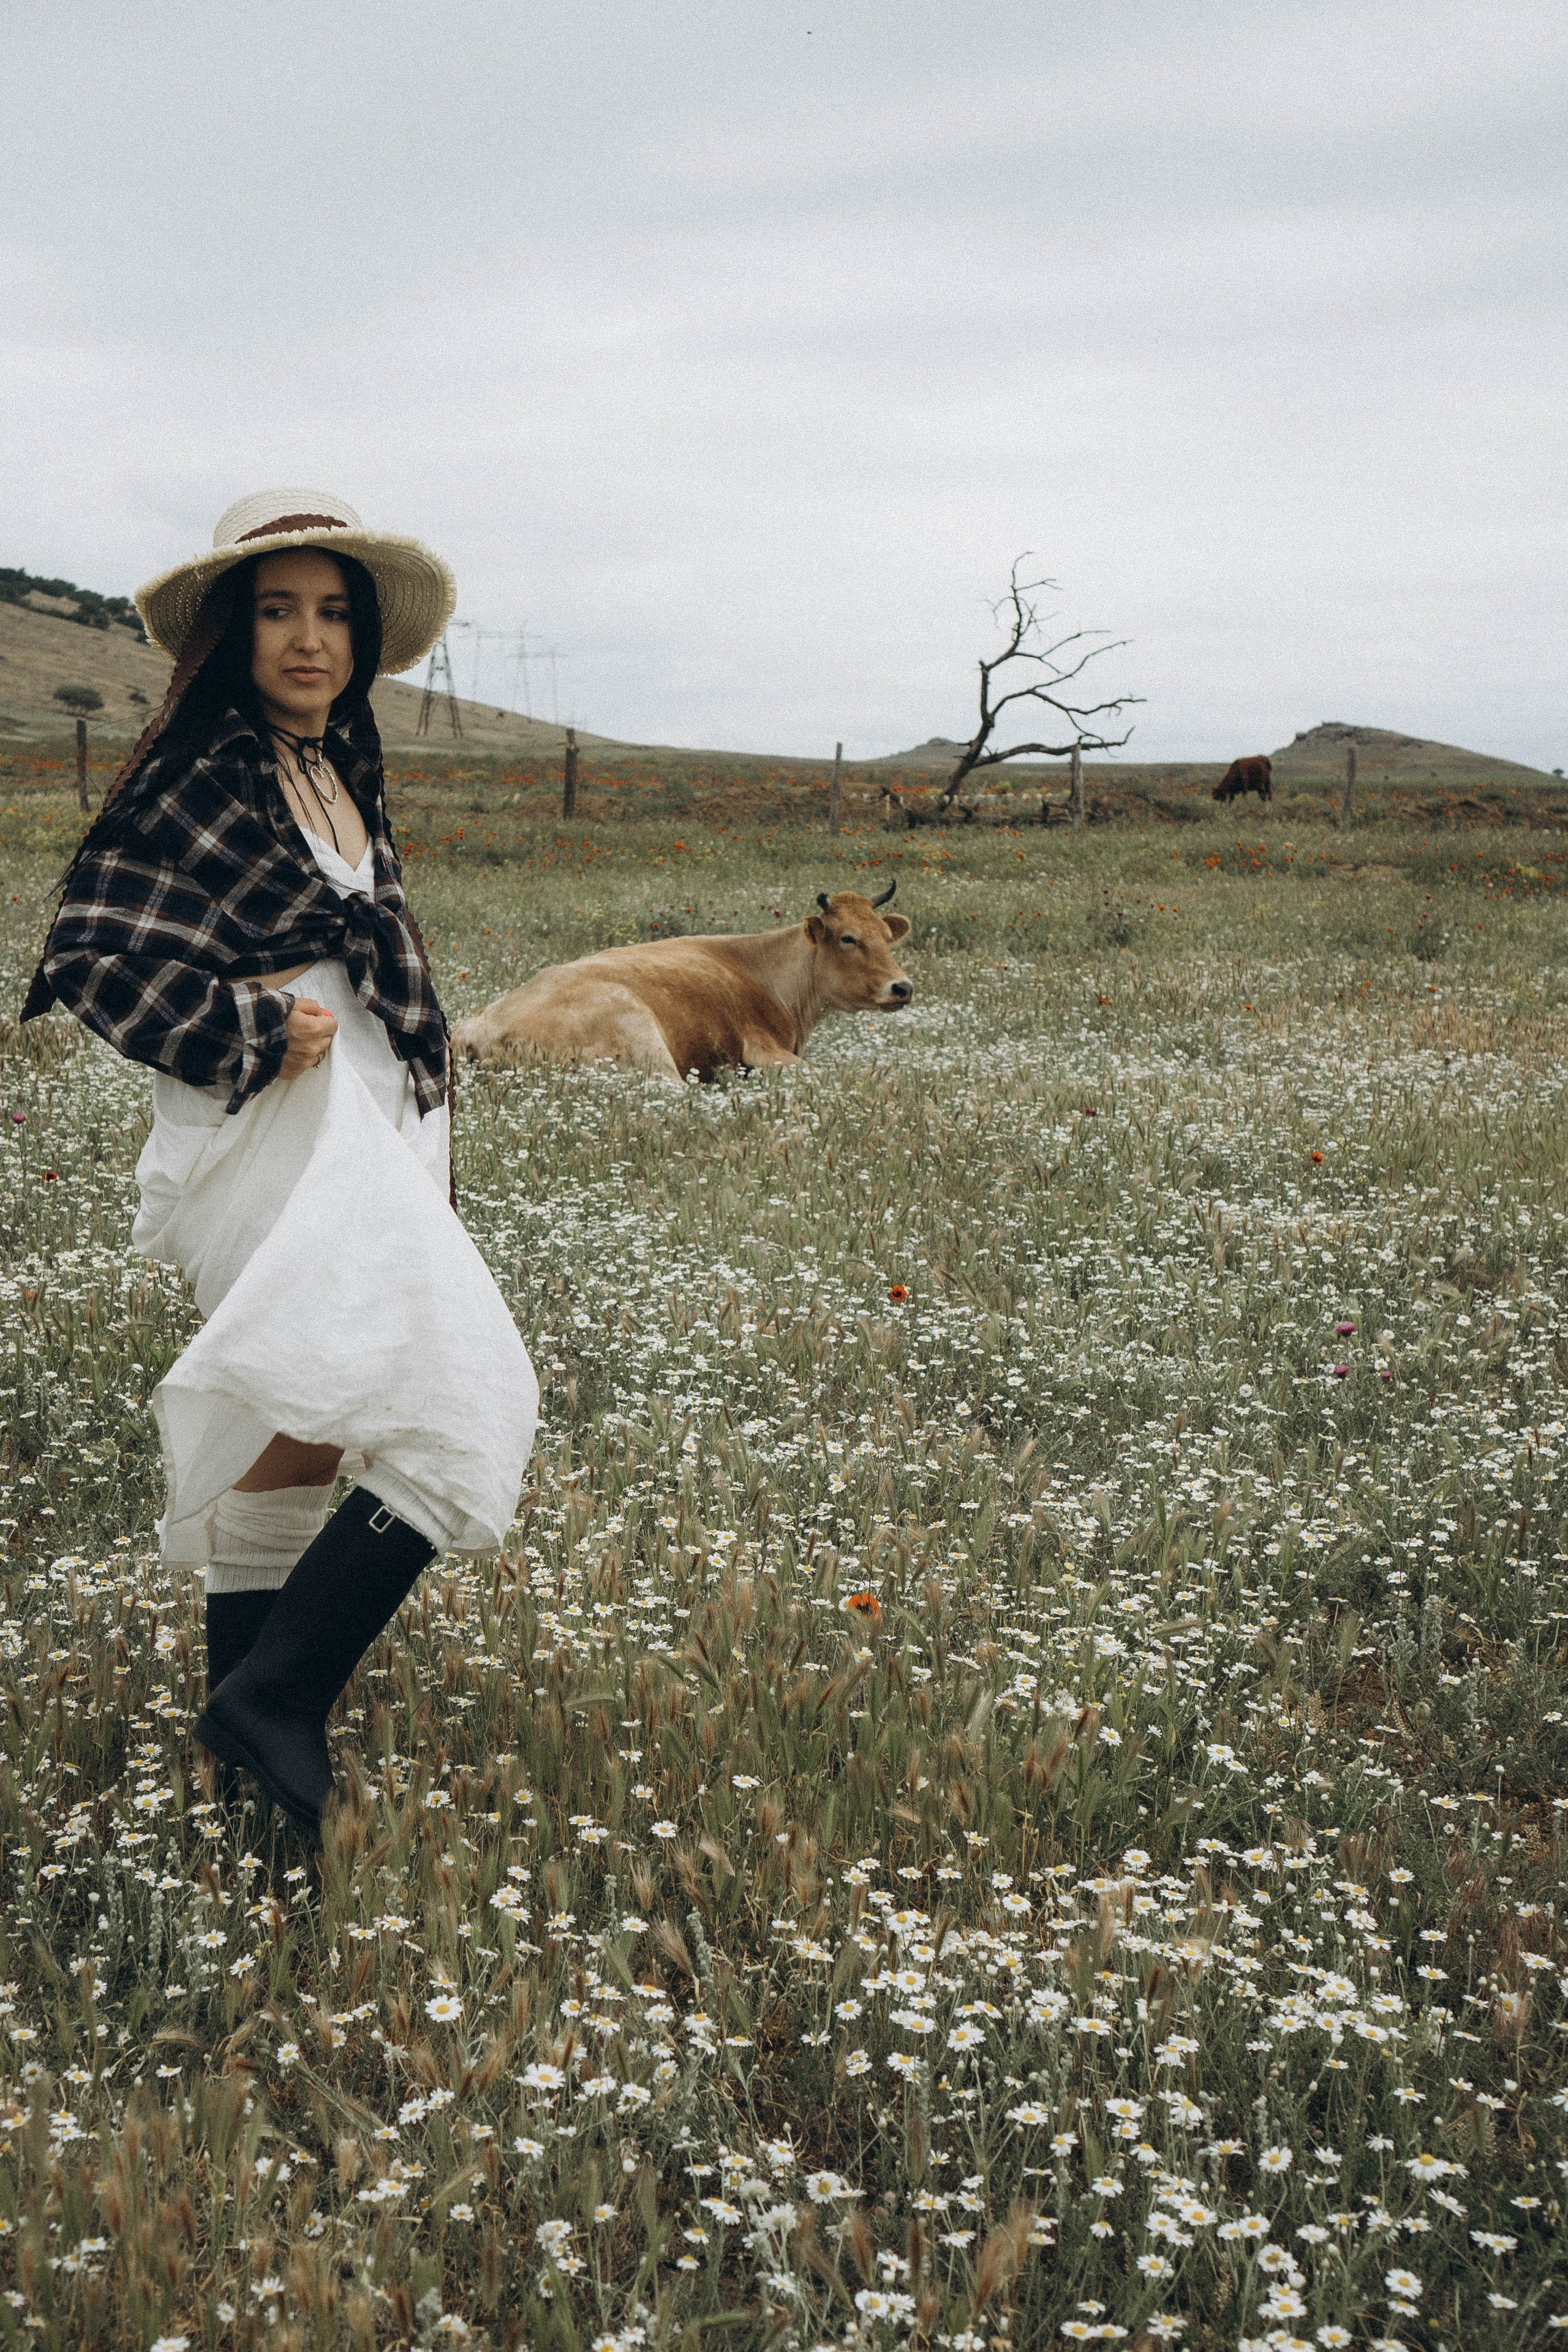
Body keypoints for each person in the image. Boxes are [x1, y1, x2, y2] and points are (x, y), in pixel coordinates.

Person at [23, 489, 538, 1831]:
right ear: (229, 634)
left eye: (331, 612)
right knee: (461, 1404)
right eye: (275, 610)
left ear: (363, 637)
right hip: (277, 1131)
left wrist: (418, 1122)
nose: (307, 639)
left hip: (369, 1128)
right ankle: (277, 1696)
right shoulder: (206, 768)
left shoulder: (339, 766)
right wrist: (244, 1023)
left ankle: (254, 1790)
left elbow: (373, 957)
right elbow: (89, 954)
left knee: (301, 1435)